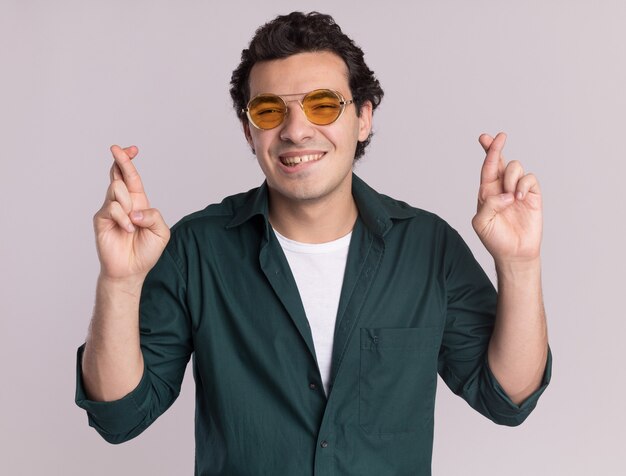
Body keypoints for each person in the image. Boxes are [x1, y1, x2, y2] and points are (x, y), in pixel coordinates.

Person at [76, 11, 551, 476]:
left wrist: (520, 263)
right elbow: (121, 416)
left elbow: (507, 397)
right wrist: (119, 281)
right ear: (249, 131)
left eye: (322, 105)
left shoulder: (429, 248)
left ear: (362, 119)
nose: (296, 130)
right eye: (269, 110)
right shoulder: (196, 250)